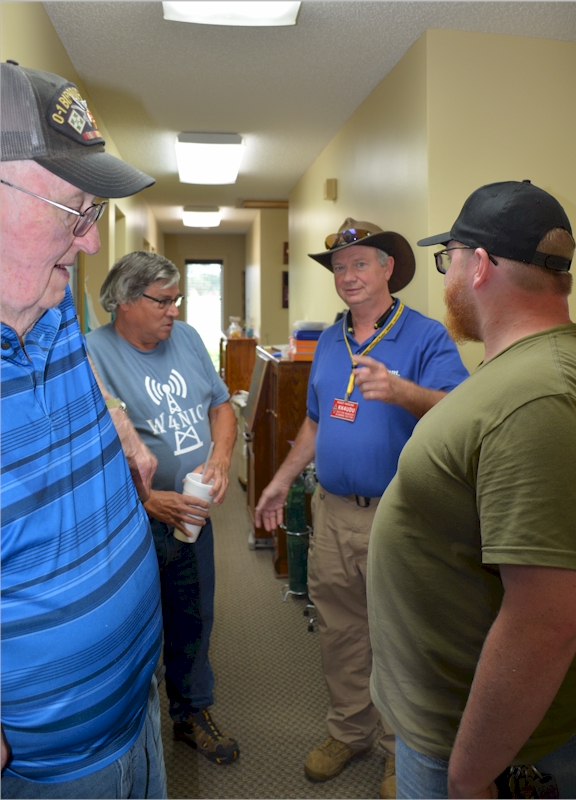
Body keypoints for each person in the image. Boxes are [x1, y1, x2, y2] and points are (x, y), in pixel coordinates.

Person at [367, 180, 576, 800]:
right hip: (454, 727)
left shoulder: (542, 399)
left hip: (486, 752)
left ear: (477, 265)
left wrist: (472, 773)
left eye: (445, 258)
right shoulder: (519, 367)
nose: (445, 276)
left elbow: (547, 619)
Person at [255, 218, 469, 798]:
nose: (348, 276)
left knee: (400, 636)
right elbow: (317, 421)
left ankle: (405, 751)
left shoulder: (425, 337)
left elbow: (458, 412)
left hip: (400, 516)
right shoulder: (329, 339)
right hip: (331, 511)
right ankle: (350, 732)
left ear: (389, 269)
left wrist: (402, 391)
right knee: (340, 630)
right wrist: (280, 481)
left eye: (361, 264)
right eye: (340, 267)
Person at [1, 62, 167, 798]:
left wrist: (122, 427)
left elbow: (83, 365)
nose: (92, 244)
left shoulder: (48, 293)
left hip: (136, 713)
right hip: (52, 772)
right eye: (76, 210)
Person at [87, 251, 240, 765]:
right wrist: (149, 499)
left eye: (176, 299)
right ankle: (128, 729)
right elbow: (92, 450)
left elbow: (221, 404)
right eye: (163, 301)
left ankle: (191, 713)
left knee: (194, 614)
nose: (174, 310)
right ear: (125, 301)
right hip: (130, 523)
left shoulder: (190, 340)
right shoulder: (93, 354)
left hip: (192, 515)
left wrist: (219, 458)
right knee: (129, 627)